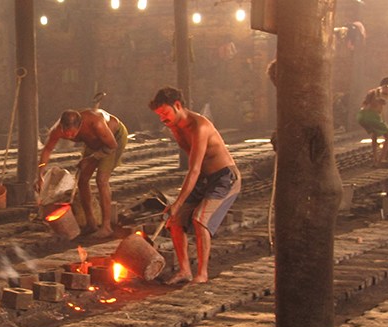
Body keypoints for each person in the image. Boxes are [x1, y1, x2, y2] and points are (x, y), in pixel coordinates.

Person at [148, 87, 241, 284]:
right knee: (175, 221)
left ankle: (202, 274)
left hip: (225, 178)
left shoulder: (200, 126)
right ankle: (184, 271)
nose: (162, 119)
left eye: (165, 113)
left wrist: (178, 202)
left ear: (178, 106)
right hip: (205, 178)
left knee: (200, 219)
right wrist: (177, 207)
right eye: (159, 116)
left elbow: (194, 169)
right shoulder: (175, 127)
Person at [38, 108, 128, 238]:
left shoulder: (96, 123)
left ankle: (106, 226)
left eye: (72, 133)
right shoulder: (57, 130)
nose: (69, 136)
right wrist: (40, 173)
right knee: (82, 180)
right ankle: (90, 223)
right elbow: (47, 150)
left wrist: (91, 158)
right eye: (66, 133)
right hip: (92, 142)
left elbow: (112, 146)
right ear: (61, 127)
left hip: (113, 140)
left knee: (101, 180)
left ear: (80, 126)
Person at [357, 77, 388, 165]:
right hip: (371, 116)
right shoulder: (382, 90)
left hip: (362, 115)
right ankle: (381, 160)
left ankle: (375, 159)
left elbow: (365, 104)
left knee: (375, 134)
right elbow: (380, 95)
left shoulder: (371, 92)